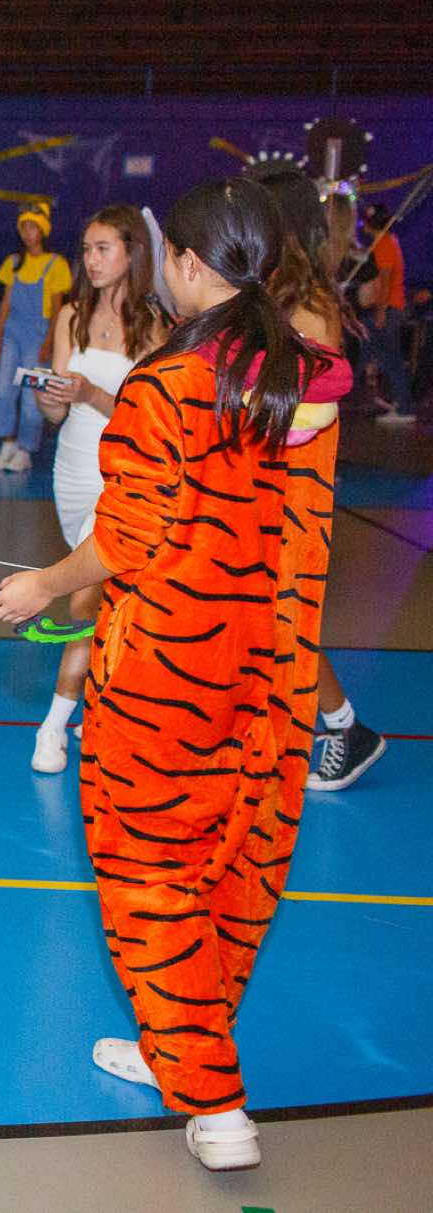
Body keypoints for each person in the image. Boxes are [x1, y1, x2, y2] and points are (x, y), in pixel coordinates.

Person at [0, 178, 351, 1174]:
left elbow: (128, 540)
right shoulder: (309, 383)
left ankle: (214, 1100)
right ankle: (175, 1042)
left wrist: (39, 586)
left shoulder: (167, 387)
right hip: (273, 673)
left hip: (168, 674)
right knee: (235, 867)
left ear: (187, 265)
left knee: (150, 878)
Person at [251, 166, 388, 791]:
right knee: (260, 613)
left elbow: (307, 405)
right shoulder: (273, 294)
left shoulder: (309, 306)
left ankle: (346, 728)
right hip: (262, 477)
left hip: (295, 486)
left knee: (286, 617)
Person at [25, 205, 167, 774]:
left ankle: (53, 727)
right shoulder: (71, 316)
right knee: (110, 598)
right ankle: (107, 703)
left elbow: (149, 419)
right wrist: (51, 399)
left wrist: (90, 395)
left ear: (133, 252)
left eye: (103, 247)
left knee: (84, 596)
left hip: (123, 473)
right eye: (86, 248)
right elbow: (57, 413)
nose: (91, 259)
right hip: (72, 469)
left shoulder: (155, 326)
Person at [0, 203, 75, 472]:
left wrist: (49, 341)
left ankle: (25, 449)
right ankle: (8, 443)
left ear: (43, 231)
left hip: (38, 336)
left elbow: (58, 308)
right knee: (2, 390)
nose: (28, 233)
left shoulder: (56, 264)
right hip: (13, 334)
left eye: (33, 227)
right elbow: (5, 303)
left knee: (31, 398)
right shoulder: (13, 263)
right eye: (24, 227)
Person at [356, 202, 416, 425]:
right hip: (392, 306)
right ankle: (400, 402)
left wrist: (380, 311)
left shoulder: (383, 244)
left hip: (389, 308)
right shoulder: (389, 241)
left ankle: (403, 406)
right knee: (380, 351)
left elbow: (385, 280)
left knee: (389, 357)